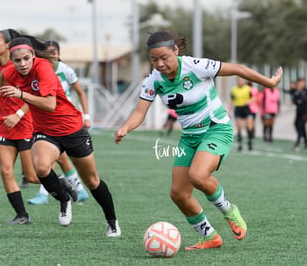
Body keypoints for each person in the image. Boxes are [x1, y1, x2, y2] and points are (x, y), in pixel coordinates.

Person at [114, 30, 283, 250]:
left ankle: (229, 211)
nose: (160, 64)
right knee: (178, 194)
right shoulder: (153, 81)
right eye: (154, 60)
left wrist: (269, 83)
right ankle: (209, 236)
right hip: (189, 138)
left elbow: (238, 69)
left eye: (164, 57)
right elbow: (139, 112)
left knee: (198, 175)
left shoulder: (195, 65)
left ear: (176, 50)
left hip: (216, 129)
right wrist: (125, 128)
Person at [0, 36, 121, 235]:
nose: (22, 64)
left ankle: (112, 221)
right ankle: (65, 198)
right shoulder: (10, 71)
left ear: (33, 55)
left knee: (92, 181)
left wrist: (21, 95)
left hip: (72, 129)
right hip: (45, 131)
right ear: (12, 61)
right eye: (17, 60)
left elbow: (50, 104)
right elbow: (1, 79)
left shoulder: (43, 69)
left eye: (26, 58)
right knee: (41, 168)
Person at [0, 29, 42, 225]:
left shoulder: (23, 67)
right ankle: (22, 216)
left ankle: (62, 183)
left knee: (32, 176)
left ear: (8, 46)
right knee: (5, 171)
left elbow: (37, 98)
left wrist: (18, 114)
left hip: (26, 126)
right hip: (4, 127)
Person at [28, 40, 90, 205]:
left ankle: (45, 193)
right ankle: (80, 189)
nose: (52, 56)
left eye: (54, 52)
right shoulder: (38, 71)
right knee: (58, 158)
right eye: (48, 52)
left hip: (66, 119)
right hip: (48, 119)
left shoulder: (65, 70)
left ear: (59, 54)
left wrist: (87, 116)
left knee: (52, 158)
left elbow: (80, 93)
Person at [230, 78, 255, 151]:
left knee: (249, 126)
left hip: (246, 109)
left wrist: (249, 101)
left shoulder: (248, 89)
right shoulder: (234, 89)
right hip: (238, 109)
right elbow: (231, 101)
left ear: (244, 81)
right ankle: (240, 144)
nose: (240, 81)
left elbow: (254, 98)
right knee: (239, 127)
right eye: (238, 80)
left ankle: (250, 142)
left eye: (241, 80)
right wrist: (229, 111)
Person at [291, 77, 307, 150]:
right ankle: (306, 142)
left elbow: (305, 99)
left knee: (301, 126)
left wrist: (300, 94)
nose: (300, 83)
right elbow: (295, 100)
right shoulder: (297, 91)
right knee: (297, 125)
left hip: (305, 112)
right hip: (298, 112)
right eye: (299, 82)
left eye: (302, 82)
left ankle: (298, 142)